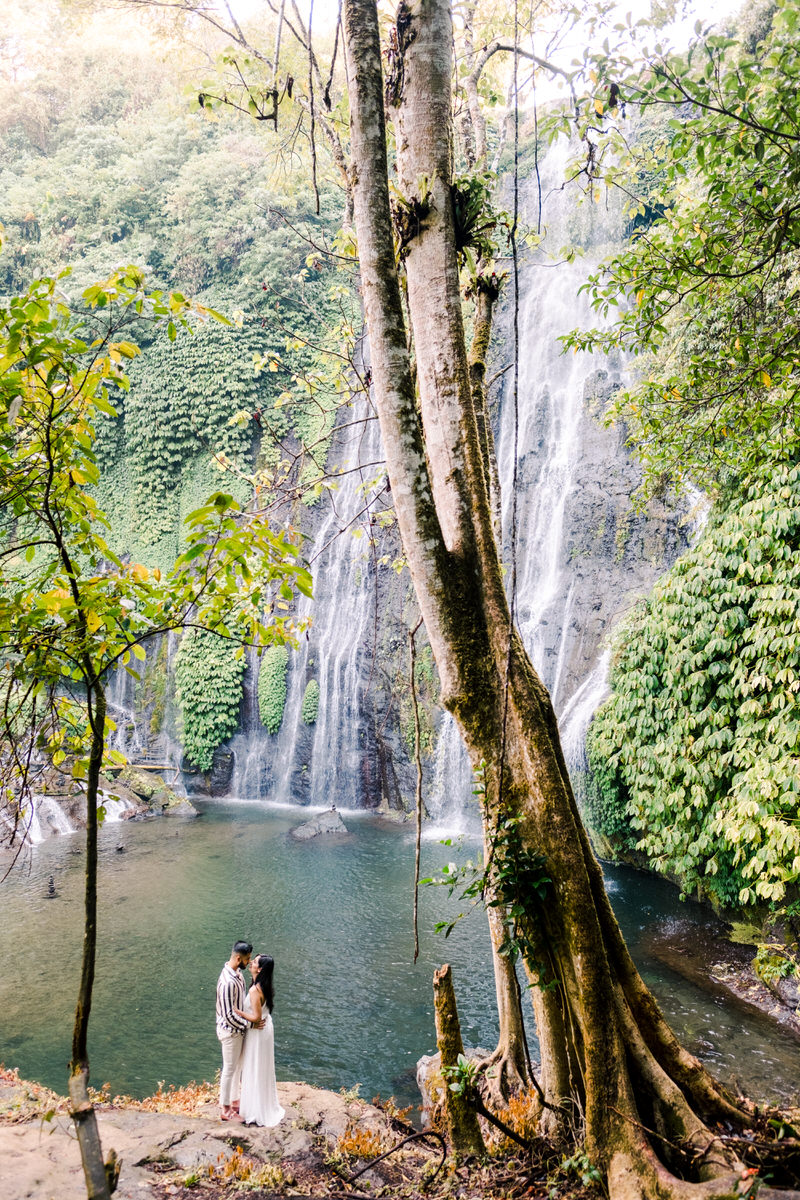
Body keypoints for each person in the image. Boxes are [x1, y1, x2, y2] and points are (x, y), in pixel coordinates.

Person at [215, 940, 263, 1121]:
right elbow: (228, 1015)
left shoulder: (237, 974)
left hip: (237, 1031)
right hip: (230, 1032)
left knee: (236, 1068)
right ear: (238, 958)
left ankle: (234, 1101)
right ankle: (225, 1109)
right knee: (229, 1069)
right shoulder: (228, 982)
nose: (249, 962)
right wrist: (250, 1025)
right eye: (247, 959)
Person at [236, 954, 285, 1128]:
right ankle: (262, 1104)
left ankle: (254, 1109)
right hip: (266, 1029)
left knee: (255, 1065)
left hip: (258, 1031)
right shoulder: (265, 986)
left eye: (254, 962)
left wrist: (238, 1012)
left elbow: (256, 1017)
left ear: (260, 969)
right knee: (262, 1066)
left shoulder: (255, 990)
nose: (250, 963)